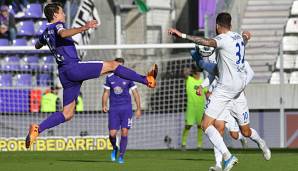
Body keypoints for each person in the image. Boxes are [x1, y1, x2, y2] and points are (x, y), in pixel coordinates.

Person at [25, 2, 158, 149]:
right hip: (74, 67)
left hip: (64, 73)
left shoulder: (45, 32)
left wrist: (47, 42)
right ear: (55, 14)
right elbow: (62, 33)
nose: (64, 14)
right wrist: (84, 27)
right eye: (62, 12)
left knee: (67, 113)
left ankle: (38, 129)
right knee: (114, 65)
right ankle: (147, 80)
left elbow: (37, 44)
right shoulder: (58, 26)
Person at [168, 12, 270, 171]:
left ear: (217, 26)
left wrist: (181, 34)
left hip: (227, 89)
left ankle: (229, 157)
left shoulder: (221, 40)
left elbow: (206, 41)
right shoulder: (236, 37)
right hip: (237, 87)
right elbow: (242, 41)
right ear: (230, 24)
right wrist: (246, 37)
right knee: (233, 130)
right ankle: (219, 163)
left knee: (206, 124)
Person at [102, 58, 142, 164]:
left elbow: (135, 93)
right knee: (112, 134)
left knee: (124, 131)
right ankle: (115, 148)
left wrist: (138, 109)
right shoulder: (109, 78)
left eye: (121, 66)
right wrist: (104, 104)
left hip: (126, 109)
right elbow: (106, 92)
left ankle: (121, 156)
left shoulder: (129, 78)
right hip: (114, 109)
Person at [181, 65, 208, 150]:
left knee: (200, 126)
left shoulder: (202, 82)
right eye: (197, 72)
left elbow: (207, 93)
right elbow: (184, 72)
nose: (199, 74)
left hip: (200, 107)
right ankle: (183, 143)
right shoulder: (189, 79)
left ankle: (199, 145)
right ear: (194, 73)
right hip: (191, 107)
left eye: (199, 72)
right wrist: (190, 70)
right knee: (188, 125)